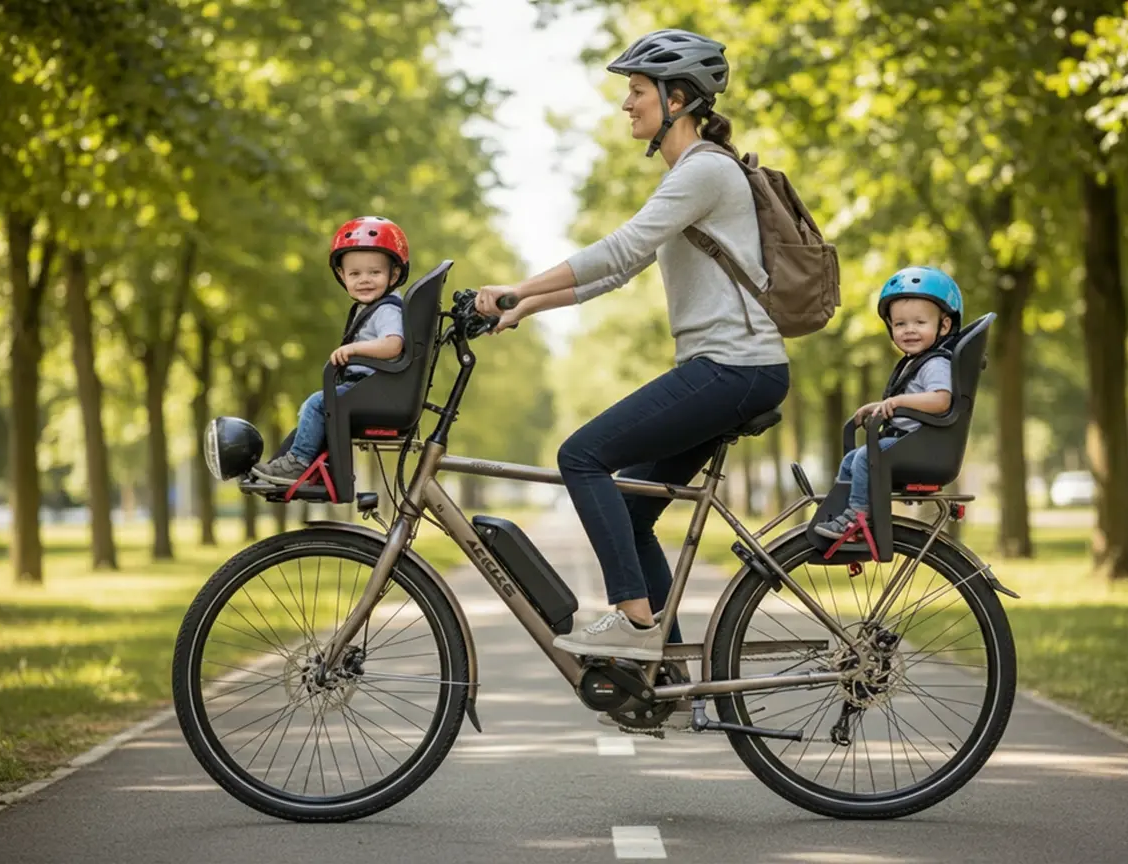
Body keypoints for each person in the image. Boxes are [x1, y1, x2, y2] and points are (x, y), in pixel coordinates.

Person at [475, 29, 790, 665]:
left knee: (582, 455)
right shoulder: (693, 174)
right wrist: (528, 308)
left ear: (678, 99)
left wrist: (517, 285)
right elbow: (621, 271)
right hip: (735, 370)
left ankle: (632, 620)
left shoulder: (705, 170)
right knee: (630, 506)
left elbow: (619, 248)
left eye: (637, 90)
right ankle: (663, 671)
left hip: (734, 368)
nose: (627, 103)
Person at [253, 217, 409, 485]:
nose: (365, 280)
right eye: (355, 274)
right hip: (369, 387)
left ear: (394, 274)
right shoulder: (370, 309)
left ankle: (299, 463)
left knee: (318, 404)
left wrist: (354, 349)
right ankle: (299, 465)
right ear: (342, 276)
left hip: (374, 388)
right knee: (314, 408)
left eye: (375, 272)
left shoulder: (387, 309)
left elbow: (393, 343)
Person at [814, 266, 962, 540]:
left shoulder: (935, 363)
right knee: (851, 460)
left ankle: (858, 519)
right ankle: (841, 511)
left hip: (922, 445)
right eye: (900, 324)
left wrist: (898, 401)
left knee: (866, 458)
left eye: (920, 322)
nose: (909, 330)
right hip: (909, 441)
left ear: (944, 325)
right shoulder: (914, 363)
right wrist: (877, 407)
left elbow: (942, 400)